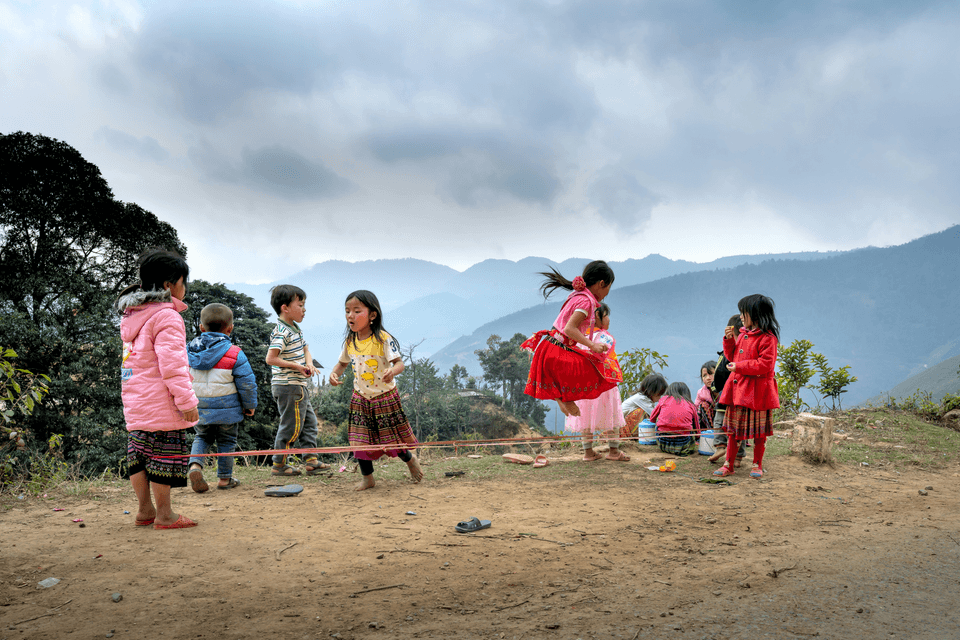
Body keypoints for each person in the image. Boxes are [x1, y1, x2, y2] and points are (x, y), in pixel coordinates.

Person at [117, 248, 199, 529]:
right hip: (161, 402)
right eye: (182, 281)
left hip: (135, 400)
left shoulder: (132, 316)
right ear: (168, 285)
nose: (184, 287)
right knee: (163, 455)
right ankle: (165, 515)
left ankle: (144, 510)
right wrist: (187, 402)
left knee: (138, 454)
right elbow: (173, 365)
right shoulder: (167, 317)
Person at [328, 290, 423, 491]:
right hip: (360, 398)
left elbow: (399, 363)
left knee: (391, 440)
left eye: (356, 311)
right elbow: (341, 364)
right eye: (347, 311)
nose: (350, 316)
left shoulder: (383, 339)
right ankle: (368, 478)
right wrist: (333, 374)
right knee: (360, 442)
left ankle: (409, 459)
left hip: (385, 398)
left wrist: (392, 371)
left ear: (372, 315)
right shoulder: (350, 341)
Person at [522, 260, 618, 417]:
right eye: (609, 287)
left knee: (587, 365)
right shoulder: (586, 301)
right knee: (599, 368)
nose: (607, 292)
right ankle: (565, 397)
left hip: (549, 347)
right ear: (601, 283)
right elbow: (569, 328)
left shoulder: (577, 295)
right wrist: (592, 346)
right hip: (558, 351)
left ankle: (561, 397)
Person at [186, 303, 258, 492]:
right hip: (228, 408)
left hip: (199, 406)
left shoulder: (188, 351)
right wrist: (250, 405)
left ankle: (195, 466)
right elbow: (247, 383)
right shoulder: (234, 353)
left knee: (202, 436)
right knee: (226, 441)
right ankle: (225, 479)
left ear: (202, 328)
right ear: (230, 328)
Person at [714, 294, 781, 479]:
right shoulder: (743, 334)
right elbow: (733, 358)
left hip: (758, 392)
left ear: (756, 314)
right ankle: (728, 464)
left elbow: (765, 364)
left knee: (759, 433)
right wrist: (728, 341)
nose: (741, 316)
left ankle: (757, 465)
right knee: (733, 431)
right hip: (739, 390)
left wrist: (740, 367)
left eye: (744, 312)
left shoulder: (768, 338)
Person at [265, 285, 328, 476]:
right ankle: (279, 464)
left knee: (309, 423)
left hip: (298, 386)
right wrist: (298, 367)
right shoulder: (282, 332)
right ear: (285, 307)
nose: (304, 309)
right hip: (288, 386)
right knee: (291, 426)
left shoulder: (295, 329)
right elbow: (271, 358)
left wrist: (308, 364)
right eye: (300, 305)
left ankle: (311, 460)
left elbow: (306, 349)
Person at [565, 304, 629, 462]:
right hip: (604, 384)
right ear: (597, 319)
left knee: (585, 417)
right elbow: (603, 356)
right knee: (612, 415)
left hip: (584, 385)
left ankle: (588, 453)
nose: (608, 319)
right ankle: (614, 451)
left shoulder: (580, 338)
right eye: (606, 316)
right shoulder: (605, 337)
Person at [707, 315, 746, 465]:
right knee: (725, 423)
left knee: (735, 426)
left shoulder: (739, 354)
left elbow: (722, 373)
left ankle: (734, 454)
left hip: (735, 395)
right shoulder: (728, 352)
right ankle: (725, 450)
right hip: (728, 395)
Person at [650, 381, 700, 456]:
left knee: (658, 422)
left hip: (662, 444)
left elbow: (652, 418)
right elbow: (697, 430)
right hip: (683, 445)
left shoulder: (663, 399)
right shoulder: (690, 404)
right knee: (690, 427)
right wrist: (697, 438)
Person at [621, 373, 668, 444]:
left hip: (624, 425)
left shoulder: (645, 400)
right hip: (621, 427)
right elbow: (654, 414)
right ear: (651, 392)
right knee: (643, 413)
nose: (659, 398)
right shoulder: (641, 399)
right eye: (659, 395)